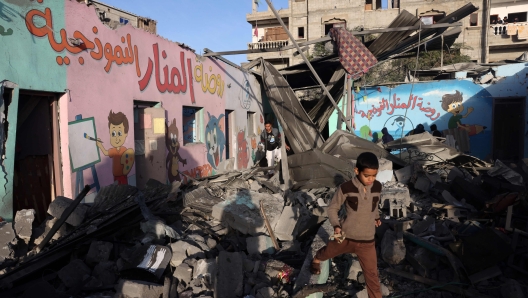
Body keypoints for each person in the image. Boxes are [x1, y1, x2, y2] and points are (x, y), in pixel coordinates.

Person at [310, 152, 382, 298]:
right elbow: (332, 208)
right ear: (357, 171)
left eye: (374, 175)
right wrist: (336, 225)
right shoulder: (346, 188)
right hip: (346, 236)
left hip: (367, 241)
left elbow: (374, 205)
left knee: (372, 275)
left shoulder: (377, 187)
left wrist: (376, 217)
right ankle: (316, 259)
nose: (371, 179)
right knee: (328, 252)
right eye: (367, 175)